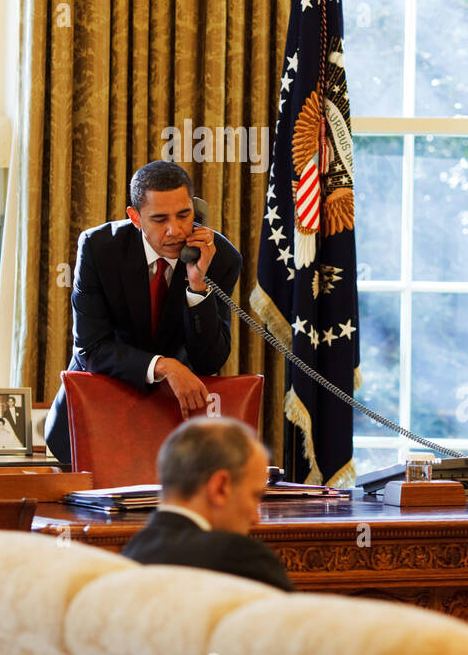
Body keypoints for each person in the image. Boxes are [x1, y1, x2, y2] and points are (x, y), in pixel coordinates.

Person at [45, 161, 242, 464]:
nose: (175, 230)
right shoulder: (99, 248)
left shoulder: (220, 258)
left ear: (196, 209)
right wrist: (165, 366)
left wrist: (198, 287)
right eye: (160, 219)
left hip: (170, 427)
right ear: (135, 218)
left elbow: (209, 360)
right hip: (93, 420)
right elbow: (91, 348)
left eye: (184, 215)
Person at [122, 418, 293, 592]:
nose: (257, 518)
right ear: (220, 487)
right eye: (255, 496)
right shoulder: (240, 557)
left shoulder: (131, 554)